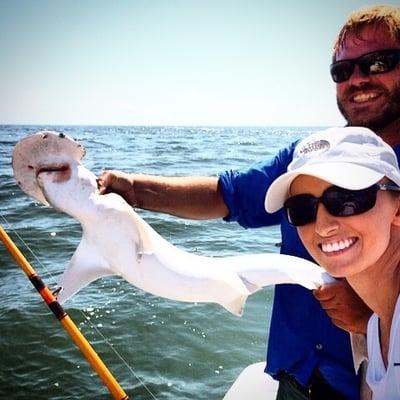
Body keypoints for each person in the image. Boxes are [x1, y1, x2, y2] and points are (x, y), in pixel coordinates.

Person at [98, 5, 400, 399]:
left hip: (362, 380)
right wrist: (131, 189)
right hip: (297, 374)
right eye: (343, 72)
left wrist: (377, 322)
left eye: (377, 63)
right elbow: (229, 195)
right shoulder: (305, 159)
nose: (358, 79)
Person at [265, 126, 400, 399]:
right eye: (302, 209)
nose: (323, 227)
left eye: (348, 199)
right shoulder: (378, 327)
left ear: (397, 207)